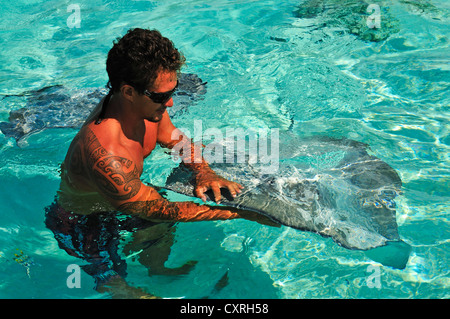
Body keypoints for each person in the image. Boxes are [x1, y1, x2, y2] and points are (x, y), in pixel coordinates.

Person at [46, 28, 274, 298]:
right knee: (116, 284)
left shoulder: (146, 108)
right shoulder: (107, 155)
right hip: (83, 222)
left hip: (127, 200)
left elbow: (172, 137)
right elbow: (160, 210)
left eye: (172, 91)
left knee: (160, 220)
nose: (170, 101)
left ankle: (157, 270)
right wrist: (239, 213)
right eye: (160, 96)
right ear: (128, 91)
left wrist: (204, 172)